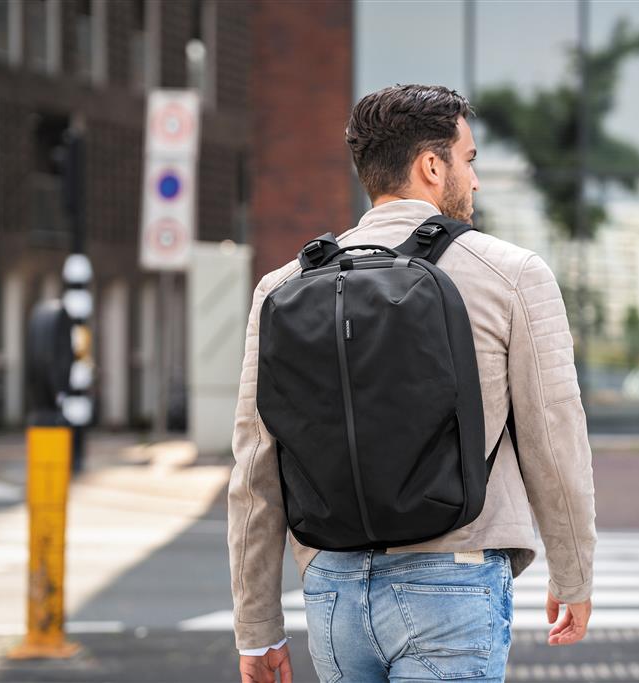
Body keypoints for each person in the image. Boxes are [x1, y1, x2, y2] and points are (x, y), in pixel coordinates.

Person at [230, 84, 597, 683]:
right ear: (432, 165)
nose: (474, 181)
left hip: (333, 587)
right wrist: (573, 574)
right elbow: (554, 443)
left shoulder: (283, 287)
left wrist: (257, 627)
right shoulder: (511, 275)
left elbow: (254, 471)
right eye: (469, 160)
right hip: (454, 578)